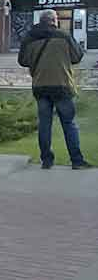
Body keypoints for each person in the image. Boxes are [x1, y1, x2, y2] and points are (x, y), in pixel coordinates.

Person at [18, 9, 91, 170]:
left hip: (40, 86)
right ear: (54, 20)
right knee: (69, 123)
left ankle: (47, 161)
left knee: (44, 124)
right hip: (62, 85)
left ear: (41, 20)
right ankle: (77, 161)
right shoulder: (63, 36)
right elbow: (77, 56)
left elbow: (22, 61)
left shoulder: (30, 37)